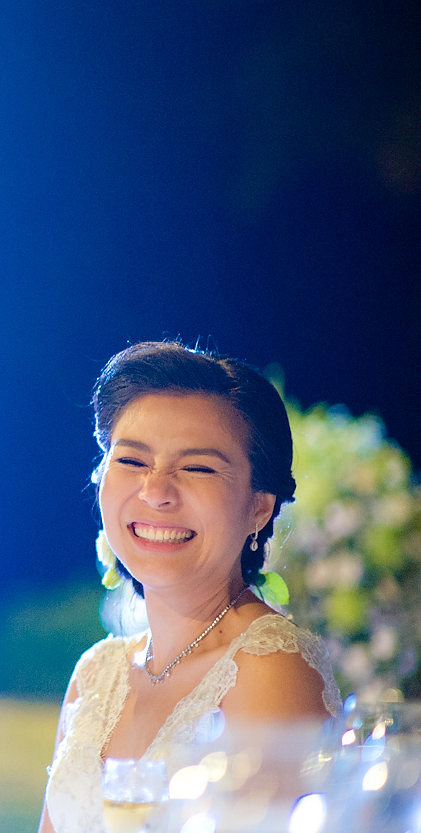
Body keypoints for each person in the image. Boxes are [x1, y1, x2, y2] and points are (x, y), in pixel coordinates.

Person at [40, 341, 338, 833]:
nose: (156, 492)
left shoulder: (269, 669)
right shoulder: (96, 675)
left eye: (197, 468)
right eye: (132, 461)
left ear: (259, 508)